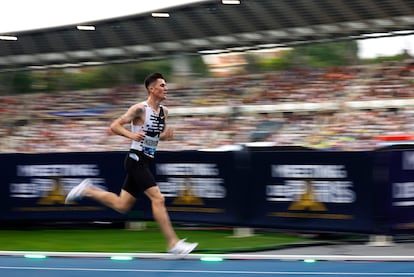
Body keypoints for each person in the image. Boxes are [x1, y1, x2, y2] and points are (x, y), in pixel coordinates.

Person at [65, 72, 198, 255]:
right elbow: (114, 126)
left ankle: (87, 189)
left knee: (122, 205)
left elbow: (152, 138)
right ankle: (173, 243)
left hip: (147, 160)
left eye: (165, 85)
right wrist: (131, 135)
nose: (166, 88)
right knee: (158, 198)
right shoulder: (139, 109)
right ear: (151, 89)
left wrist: (164, 137)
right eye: (162, 85)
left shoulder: (164, 112)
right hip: (135, 159)